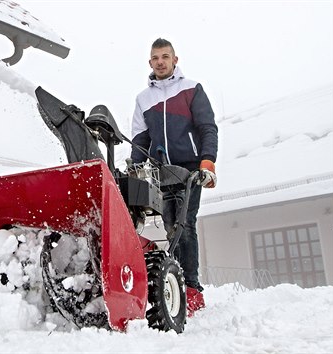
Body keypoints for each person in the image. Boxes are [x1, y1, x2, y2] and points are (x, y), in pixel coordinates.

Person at [130, 38, 218, 315]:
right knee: (169, 228)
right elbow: (140, 140)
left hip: (191, 169)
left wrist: (208, 163)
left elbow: (207, 127)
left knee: (186, 224)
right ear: (150, 62)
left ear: (174, 60)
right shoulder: (144, 99)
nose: (160, 62)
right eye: (156, 57)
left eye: (165, 57)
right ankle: (175, 283)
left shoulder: (191, 89)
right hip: (162, 171)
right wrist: (133, 169)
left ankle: (192, 289)